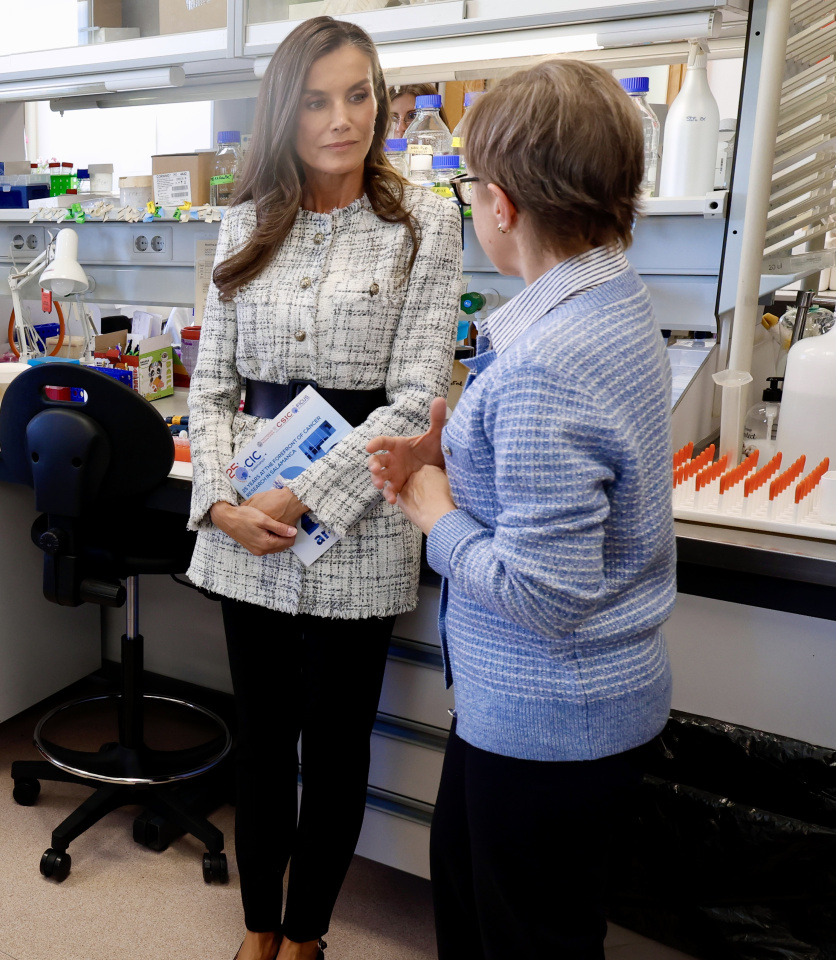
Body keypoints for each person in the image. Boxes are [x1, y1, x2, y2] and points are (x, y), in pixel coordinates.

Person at [368, 59, 673, 960]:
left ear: (500, 206)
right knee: (476, 897)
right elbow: (571, 468)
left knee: (522, 937)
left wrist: (433, 507)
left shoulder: (549, 359)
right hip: (550, 710)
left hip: (551, 722)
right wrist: (458, 447)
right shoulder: (613, 298)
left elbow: (545, 593)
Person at [185, 17, 464, 960]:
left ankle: (306, 937)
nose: (342, 119)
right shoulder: (243, 220)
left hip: (363, 519)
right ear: (284, 109)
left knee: (337, 749)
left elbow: (418, 394)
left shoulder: (424, 222)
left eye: (358, 95)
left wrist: (298, 497)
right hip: (245, 522)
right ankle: (257, 928)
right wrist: (222, 503)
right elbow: (211, 387)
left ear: (382, 102)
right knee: (261, 744)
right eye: (317, 100)